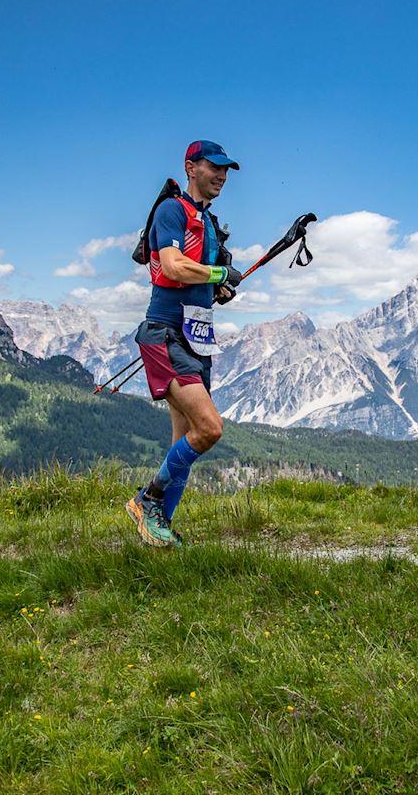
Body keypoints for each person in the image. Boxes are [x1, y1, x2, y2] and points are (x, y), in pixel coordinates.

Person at [125, 140, 243, 547]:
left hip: (196, 336)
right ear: (191, 167)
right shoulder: (172, 210)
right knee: (209, 429)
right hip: (166, 335)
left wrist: (220, 290)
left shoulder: (208, 222)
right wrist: (218, 275)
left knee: (184, 437)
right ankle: (148, 499)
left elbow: (201, 282)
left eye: (227, 170)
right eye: (215, 168)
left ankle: (158, 531)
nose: (223, 176)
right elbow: (174, 266)